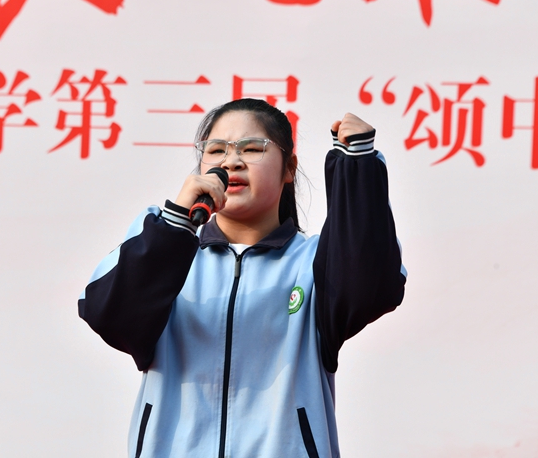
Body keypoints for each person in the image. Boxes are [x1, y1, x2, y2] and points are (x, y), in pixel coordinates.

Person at [78, 98, 406, 458]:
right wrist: (177, 225)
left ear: (289, 168)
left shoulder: (314, 262)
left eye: (251, 148)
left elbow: (371, 285)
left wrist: (357, 166)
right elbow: (108, 315)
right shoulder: (162, 247)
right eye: (216, 149)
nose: (231, 161)